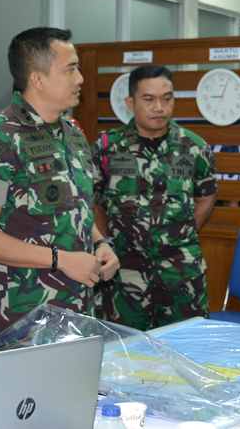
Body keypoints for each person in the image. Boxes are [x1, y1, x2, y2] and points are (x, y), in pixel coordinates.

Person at [0, 27, 119, 341]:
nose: (80, 79)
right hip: (25, 317)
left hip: (78, 307)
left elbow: (77, 211)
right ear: (38, 79)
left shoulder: (72, 132)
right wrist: (62, 259)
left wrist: (101, 243)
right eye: (70, 69)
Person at [91, 65, 218, 331]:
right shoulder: (107, 148)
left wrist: (180, 232)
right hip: (124, 273)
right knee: (123, 353)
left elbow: (206, 196)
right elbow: (90, 200)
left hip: (182, 271)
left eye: (167, 98)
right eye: (148, 99)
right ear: (130, 102)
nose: (159, 107)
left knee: (188, 350)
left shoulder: (194, 147)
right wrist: (105, 240)